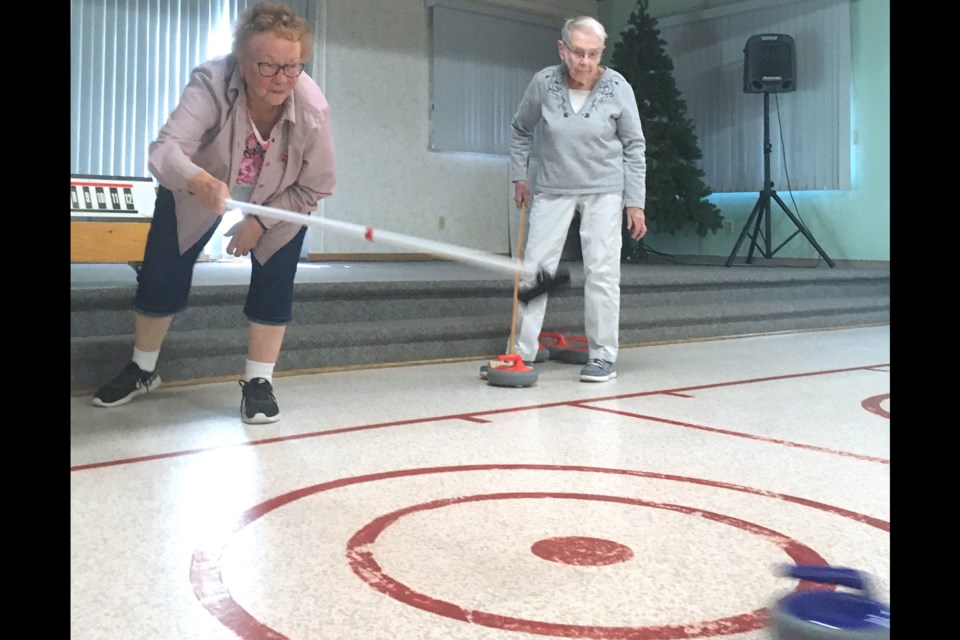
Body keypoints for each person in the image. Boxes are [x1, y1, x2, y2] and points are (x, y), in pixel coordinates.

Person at [91, 2, 336, 423]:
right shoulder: (211, 80)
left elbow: (317, 183)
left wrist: (259, 221)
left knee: (277, 276)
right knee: (160, 272)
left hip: (280, 196)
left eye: (292, 67)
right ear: (242, 59)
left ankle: (260, 382)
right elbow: (164, 150)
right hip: (198, 184)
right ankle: (143, 369)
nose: (281, 79)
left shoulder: (311, 107)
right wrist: (198, 180)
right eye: (268, 66)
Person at [507, 15, 646, 383]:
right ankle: (523, 350)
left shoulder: (617, 87)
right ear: (562, 49)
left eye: (594, 54)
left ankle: (602, 356)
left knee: (601, 273)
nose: (585, 62)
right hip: (553, 189)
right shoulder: (544, 83)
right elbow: (521, 128)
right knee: (536, 269)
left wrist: (635, 202)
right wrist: (519, 176)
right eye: (578, 53)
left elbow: (634, 145)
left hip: (604, 190)